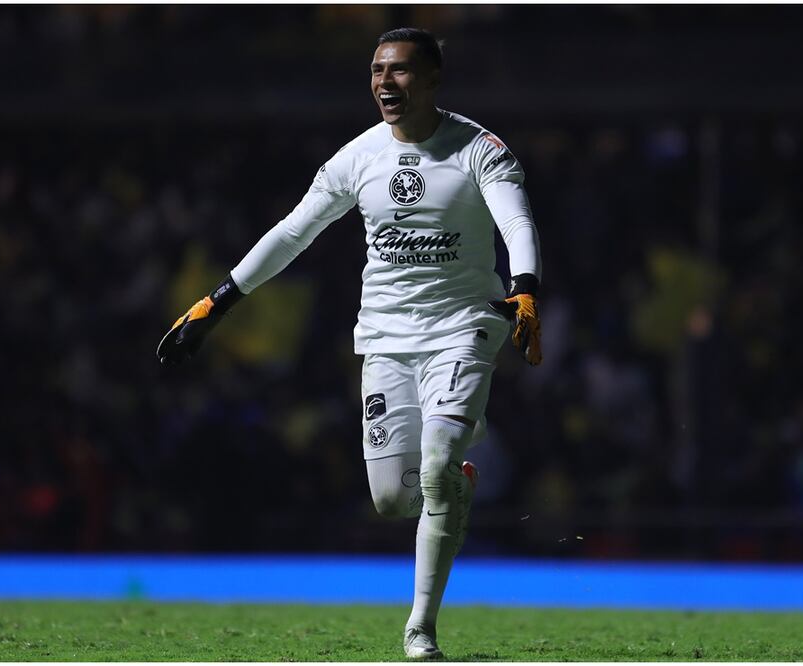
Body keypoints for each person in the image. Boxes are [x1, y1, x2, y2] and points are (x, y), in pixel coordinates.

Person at [157, 27, 542, 659]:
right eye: (376, 71)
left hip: (464, 324)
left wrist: (525, 286)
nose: (385, 83)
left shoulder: (480, 149)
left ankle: (420, 630)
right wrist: (217, 302)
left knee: (439, 458)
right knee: (393, 499)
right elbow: (291, 233)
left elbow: (515, 220)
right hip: (386, 339)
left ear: (434, 79)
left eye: (400, 71)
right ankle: (454, 488)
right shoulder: (356, 158)